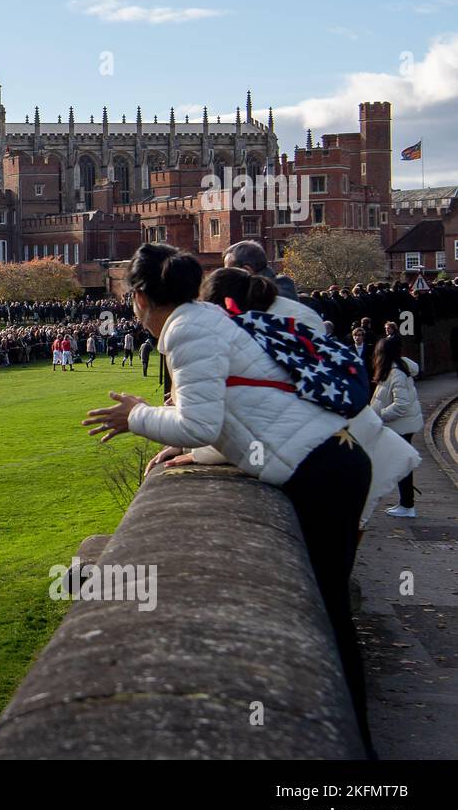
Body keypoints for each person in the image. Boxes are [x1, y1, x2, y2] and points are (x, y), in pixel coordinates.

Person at [82, 244, 416, 757]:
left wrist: (137, 417)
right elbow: (242, 413)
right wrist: (200, 452)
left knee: (328, 618)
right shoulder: (207, 319)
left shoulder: (189, 330)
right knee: (329, 614)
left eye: (129, 299)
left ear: (141, 298)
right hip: (331, 463)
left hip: (323, 471)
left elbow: (200, 421)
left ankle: (353, 754)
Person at [370, 335, 424, 518]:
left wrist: (381, 415)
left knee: (400, 464)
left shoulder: (396, 373)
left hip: (400, 426)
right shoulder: (394, 369)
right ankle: (406, 503)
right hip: (401, 426)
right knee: (400, 464)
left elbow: (401, 404)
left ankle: (407, 505)